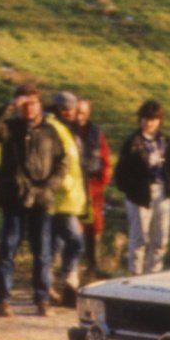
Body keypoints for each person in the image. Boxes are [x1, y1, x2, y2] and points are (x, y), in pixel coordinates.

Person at [0, 83, 66, 318]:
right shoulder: (10, 128)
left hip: (42, 198)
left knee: (43, 252)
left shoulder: (50, 131)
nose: (29, 109)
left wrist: (50, 186)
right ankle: (3, 301)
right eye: (24, 104)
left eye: (32, 103)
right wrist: (9, 107)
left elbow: (62, 162)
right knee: (8, 249)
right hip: (14, 197)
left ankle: (42, 299)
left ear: (40, 104)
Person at [114, 99, 170, 275]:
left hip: (162, 193)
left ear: (159, 120)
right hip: (139, 195)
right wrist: (133, 190)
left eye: (153, 119)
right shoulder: (133, 143)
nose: (148, 123)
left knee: (160, 240)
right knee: (140, 238)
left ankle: (154, 275)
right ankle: (135, 276)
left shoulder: (165, 141)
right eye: (145, 118)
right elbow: (121, 173)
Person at [45, 91, 89, 306]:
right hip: (62, 198)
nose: (75, 114)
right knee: (75, 241)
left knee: (56, 244)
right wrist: (66, 185)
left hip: (68, 199)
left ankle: (47, 286)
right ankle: (69, 281)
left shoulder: (66, 129)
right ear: (62, 110)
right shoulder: (55, 129)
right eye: (71, 110)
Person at [73, 97, 112, 275]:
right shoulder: (66, 129)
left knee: (93, 226)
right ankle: (70, 265)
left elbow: (105, 160)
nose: (79, 115)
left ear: (88, 114)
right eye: (77, 111)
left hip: (92, 186)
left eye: (83, 112)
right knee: (73, 225)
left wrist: (100, 184)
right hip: (72, 185)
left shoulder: (96, 133)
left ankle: (92, 265)